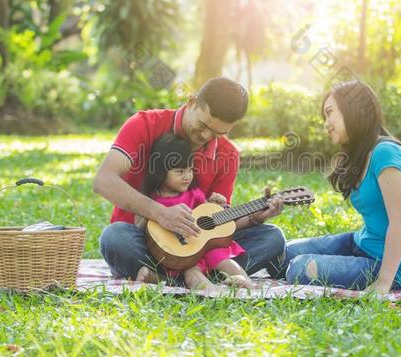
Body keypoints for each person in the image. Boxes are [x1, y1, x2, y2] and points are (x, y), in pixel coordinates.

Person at [95, 77, 286, 282]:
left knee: (272, 238)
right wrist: (160, 213)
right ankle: (195, 279)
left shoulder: (228, 154)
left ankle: (164, 278)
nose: (205, 136)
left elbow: (217, 225)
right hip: (144, 240)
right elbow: (104, 181)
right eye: (203, 124)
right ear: (191, 102)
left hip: (198, 250)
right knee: (115, 237)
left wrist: (255, 217)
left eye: (217, 133)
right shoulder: (144, 124)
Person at [283, 80, 401, 293]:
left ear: (353, 110)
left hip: (397, 268)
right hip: (362, 244)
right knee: (284, 252)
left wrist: (383, 282)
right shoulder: (361, 154)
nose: (326, 123)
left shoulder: (386, 153)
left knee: (299, 268)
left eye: (330, 112)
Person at [137, 133, 253, 289]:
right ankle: (212, 291)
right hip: (176, 252)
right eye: (179, 171)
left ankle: (244, 281)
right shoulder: (152, 201)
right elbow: (139, 228)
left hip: (203, 244)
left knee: (222, 258)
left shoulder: (195, 194)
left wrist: (214, 205)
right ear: (159, 172)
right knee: (191, 272)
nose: (187, 176)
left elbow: (205, 215)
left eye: (190, 169)